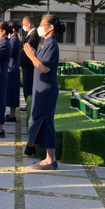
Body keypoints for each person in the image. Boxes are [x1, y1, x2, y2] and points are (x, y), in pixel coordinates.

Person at [23, 14, 63, 171]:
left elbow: (44, 67)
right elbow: (39, 62)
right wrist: (33, 54)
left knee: (46, 121)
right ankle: (47, 157)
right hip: (41, 87)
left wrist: (32, 56)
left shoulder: (52, 44)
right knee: (39, 118)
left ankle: (50, 160)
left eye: (41, 24)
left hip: (47, 88)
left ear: (50, 27)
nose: (39, 28)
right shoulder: (45, 43)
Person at [19, 17, 40, 112]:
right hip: (25, 63)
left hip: (29, 63)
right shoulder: (29, 34)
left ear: (29, 24)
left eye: (24, 24)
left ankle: (30, 105)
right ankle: (29, 104)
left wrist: (21, 43)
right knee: (26, 85)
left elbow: (27, 46)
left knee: (28, 85)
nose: (23, 27)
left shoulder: (34, 34)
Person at [5, 22, 22, 122]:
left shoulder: (13, 39)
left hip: (12, 68)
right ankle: (11, 114)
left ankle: (12, 115)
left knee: (12, 91)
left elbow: (8, 52)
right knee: (12, 91)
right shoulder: (14, 38)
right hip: (12, 67)